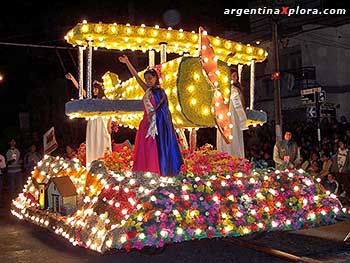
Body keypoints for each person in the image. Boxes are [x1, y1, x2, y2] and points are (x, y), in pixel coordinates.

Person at [118, 54, 183, 176]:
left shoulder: (161, 91)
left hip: (157, 125)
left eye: (150, 79)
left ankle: (158, 171)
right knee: (145, 150)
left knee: (155, 149)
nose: (148, 81)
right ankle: (146, 172)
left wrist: (154, 113)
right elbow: (136, 77)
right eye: (146, 79)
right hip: (146, 124)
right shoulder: (147, 90)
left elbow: (164, 108)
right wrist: (127, 62)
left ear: (155, 78)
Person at [65, 73, 112, 166]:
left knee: (102, 142)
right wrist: (73, 79)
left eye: (95, 88)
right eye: (93, 89)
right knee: (92, 142)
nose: (94, 90)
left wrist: (109, 125)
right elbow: (82, 91)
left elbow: (111, 114)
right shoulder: (92, 101)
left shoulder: (105, 99)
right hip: (92, 123)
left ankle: (105, 164)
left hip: (102, 123)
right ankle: (92, 164)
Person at [216, 52, 247, 158]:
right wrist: (226, 58)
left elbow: (242, 104)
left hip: (236, 118)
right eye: (233, 76)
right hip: (226, 117)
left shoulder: (236, 89)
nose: (235, 79)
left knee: (236, 137)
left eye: (236, 77)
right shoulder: (224, 88)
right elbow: (220, 72)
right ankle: (225, 158)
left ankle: (237, 158)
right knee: (226, 138)